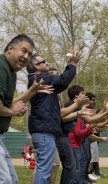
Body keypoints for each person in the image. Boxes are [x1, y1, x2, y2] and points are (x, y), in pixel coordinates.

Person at [0, 34, 53, 184]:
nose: (26, 56)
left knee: (12, 180)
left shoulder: (11, 72)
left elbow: (8, 103)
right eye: (23, 50)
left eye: (29, 54)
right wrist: (12, 111)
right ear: (10, 48)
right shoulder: (1, 67)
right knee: (5, 180)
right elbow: (8, 108)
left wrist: (32, 91)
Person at [26, 50, 82, 184]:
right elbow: (63, 80)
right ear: (36, 67)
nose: (47, 63)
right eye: (44, 62)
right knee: (44, 169)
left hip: (44, 131)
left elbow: (60, 84)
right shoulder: (39, 79)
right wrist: (72, 64)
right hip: (43, 131)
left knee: (45, 167)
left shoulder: (41, 80)